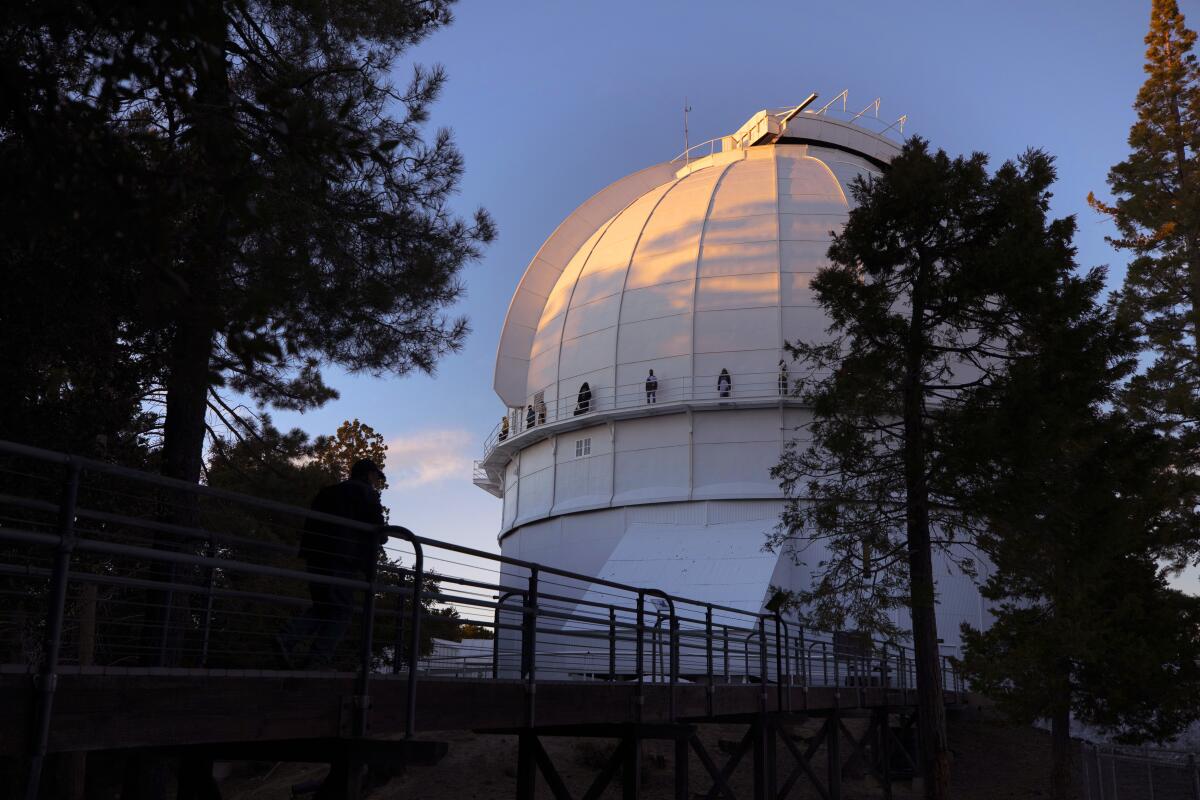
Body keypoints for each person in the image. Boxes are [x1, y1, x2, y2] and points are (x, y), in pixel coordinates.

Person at [276, 458, 388, 669]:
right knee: (342, 610)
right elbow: (378, 530)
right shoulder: (366, 493)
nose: (376, 481)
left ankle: (289, 638)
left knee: (325, 605)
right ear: (368, 474)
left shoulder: (328, 491)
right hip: (342, 559)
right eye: (375, 476)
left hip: (315, 556)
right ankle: (315, 657)